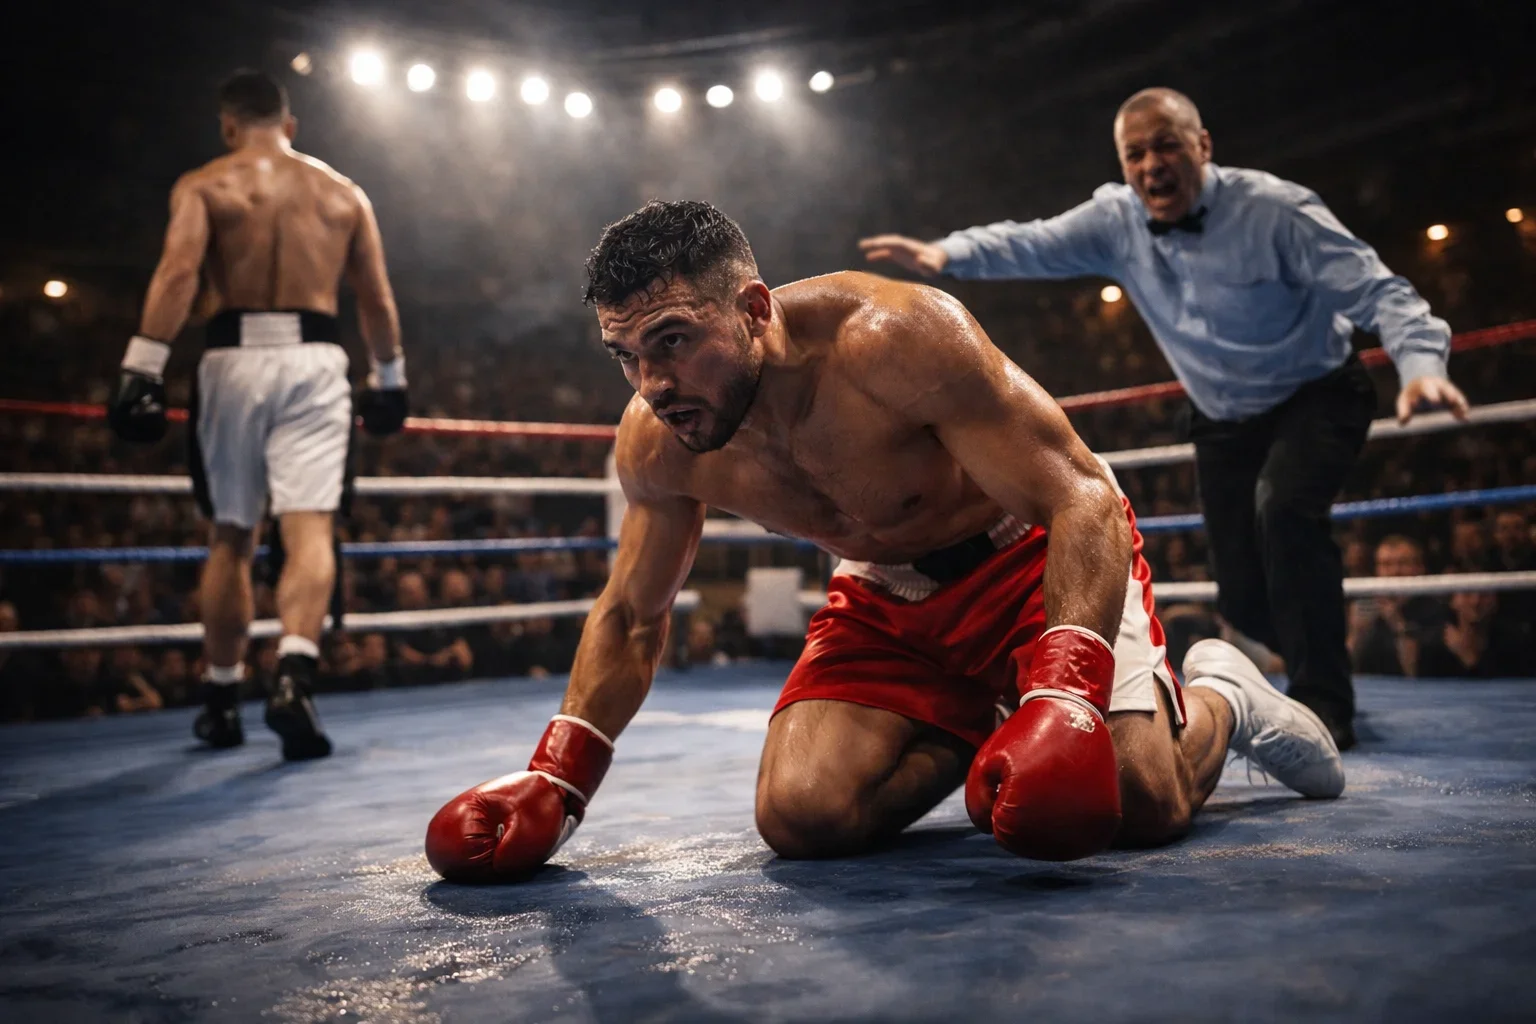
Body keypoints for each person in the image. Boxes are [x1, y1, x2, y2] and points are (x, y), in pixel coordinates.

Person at [424, 200, 1344, 883]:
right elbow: (632, 613)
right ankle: (988, 721)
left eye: (670, 340)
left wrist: (1064, 689)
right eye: (624, 355)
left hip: (1030, 563)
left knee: (1142, 807)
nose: (652, 382)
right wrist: (563, 775)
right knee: (803, 815)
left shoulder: (894, 339)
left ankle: (1225, 692)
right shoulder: (659, 439)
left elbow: (1082, 498)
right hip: (888, 603)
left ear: (751, 307)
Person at [858, 88, 1469, 750]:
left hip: (1317, 390)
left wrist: (1423, 366)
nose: (1153, 164)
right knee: (1239, 591)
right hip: (1222, 416)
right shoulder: (1115, 220)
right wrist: (946, 255)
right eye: (1136, 152)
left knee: (1286, 509)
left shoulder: (1275, 210)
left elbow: (1382, 291)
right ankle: (1295, 660)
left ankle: (1326, 701)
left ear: (1204, 145)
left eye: (1168, 144)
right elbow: (1032, 242)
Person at [106, 70, 410, 760]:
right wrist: (389, 377)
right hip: (315, 361)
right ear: (290, 124)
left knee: (232, 537)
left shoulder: (207, 183)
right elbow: (376, 299)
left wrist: (141, 368)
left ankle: (220, 701)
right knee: (310, 529)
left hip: (230, 362)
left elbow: (179, 274)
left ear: (229, 125)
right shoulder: (342, 193)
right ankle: (293, 679)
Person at [1348, 535, 1446, 676]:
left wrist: (1397, 623)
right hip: (1370, 691)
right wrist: (1356, 633)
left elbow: (1414, 673)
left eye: (1403, 563)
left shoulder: (1434, 610)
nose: (1395, 572)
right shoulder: (1366, 605)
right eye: (1386, 564)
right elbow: (1348, 667)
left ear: (1419, 568)